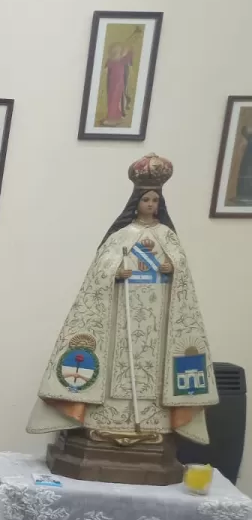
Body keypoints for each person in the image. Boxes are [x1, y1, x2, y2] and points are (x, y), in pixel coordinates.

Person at [27, 154, 218, 443]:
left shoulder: (167, 235)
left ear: (160, 204)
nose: (151, 205)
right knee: (118, 365)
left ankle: (152, 422)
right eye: (146, 200)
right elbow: (99, 269)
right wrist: (115, 272)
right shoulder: (121, 236)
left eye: (155, 200)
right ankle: (105, 417)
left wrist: (172, 269)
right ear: (136, 202)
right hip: (121, 315)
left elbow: (182, 272)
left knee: (152, 369)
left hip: (158, 319)